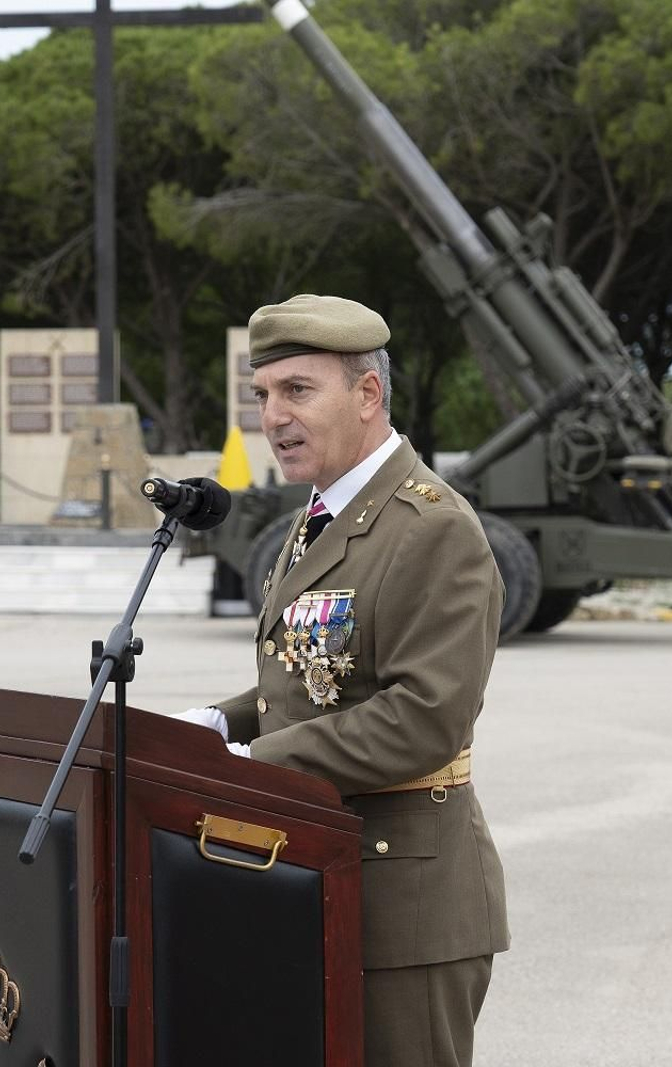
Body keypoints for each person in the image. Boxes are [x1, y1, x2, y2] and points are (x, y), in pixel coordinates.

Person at [181, 294, 508, 1067]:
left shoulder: (432, 526)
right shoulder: (325, 512)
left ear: (368, 395)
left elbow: (426, 717)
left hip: (406, 903)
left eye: (298, 390)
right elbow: (315, 678)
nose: (274, 415)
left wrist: (257, 766)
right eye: (263, 394)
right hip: (323, 875)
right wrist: (220, 725)